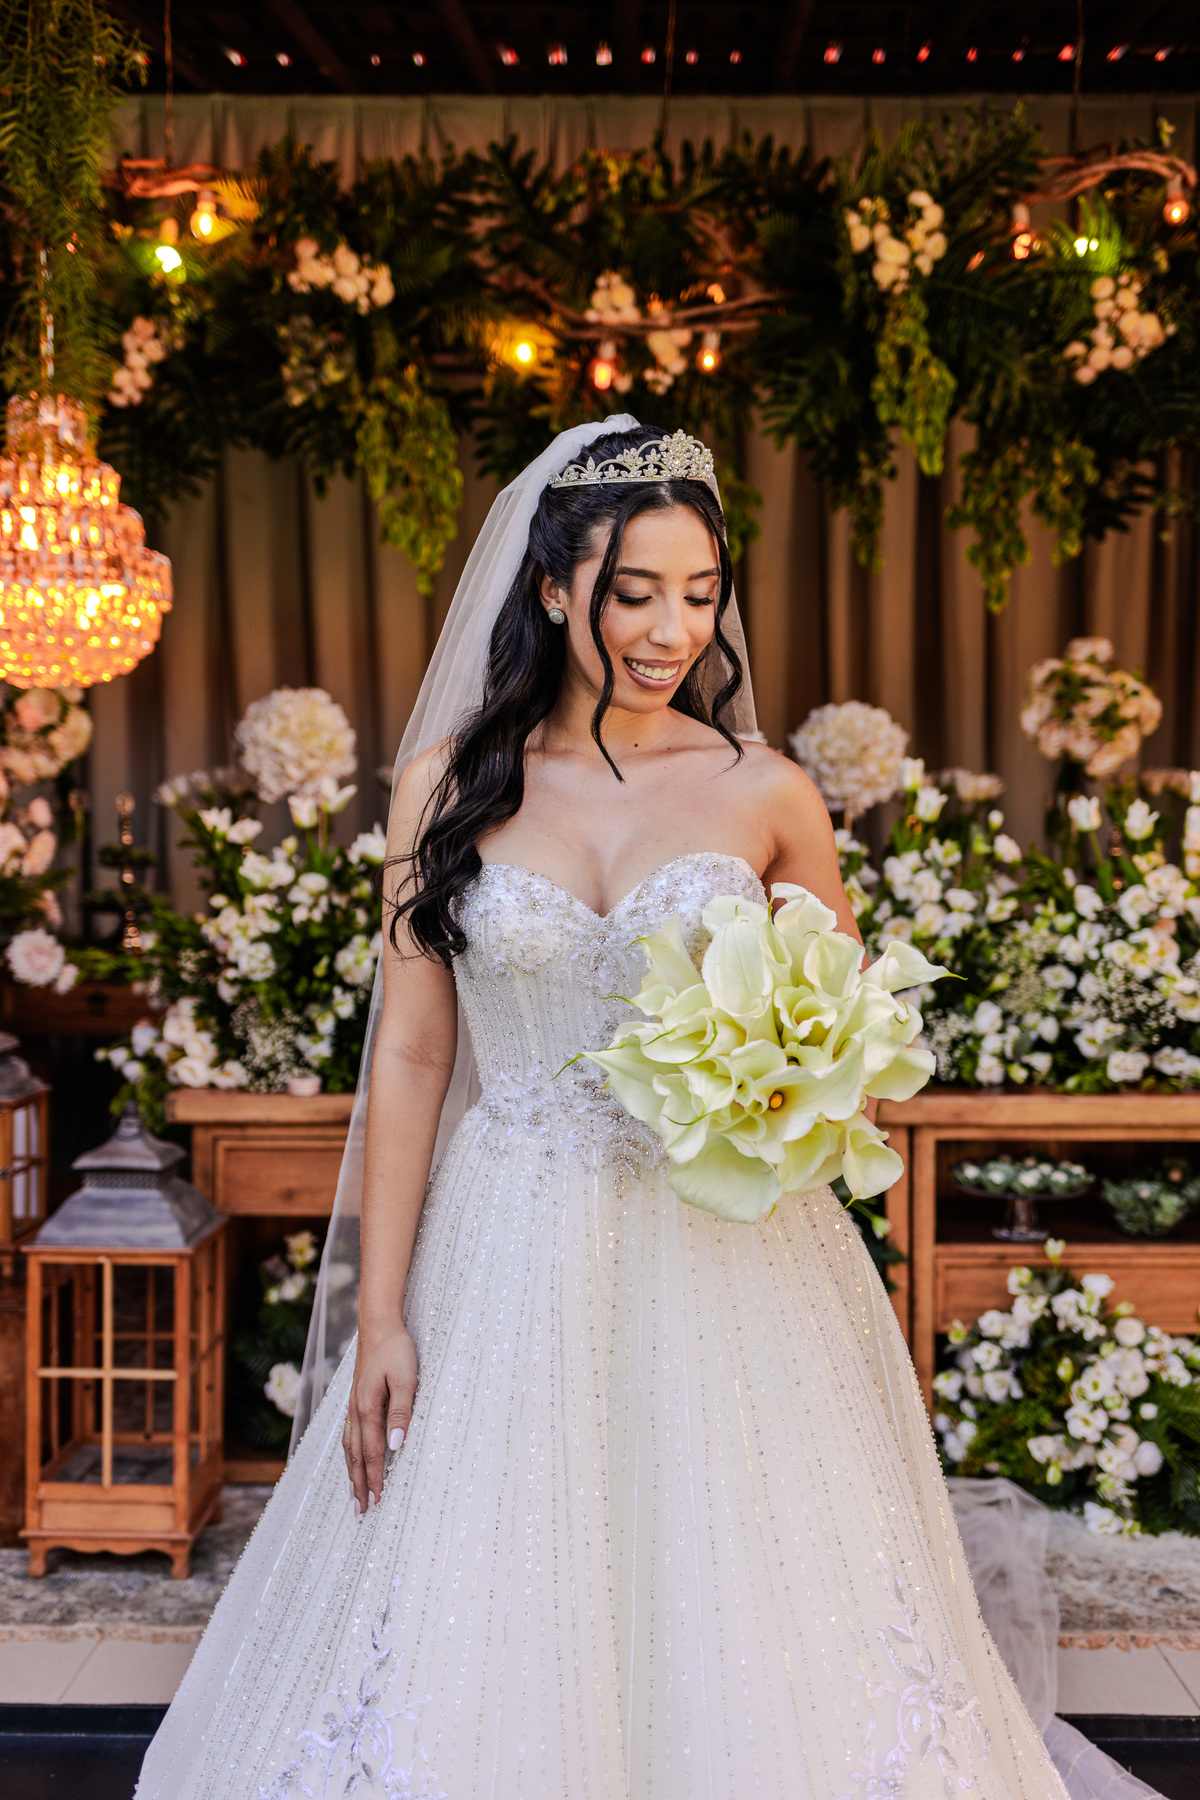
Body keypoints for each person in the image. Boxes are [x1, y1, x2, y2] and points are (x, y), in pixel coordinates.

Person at [137, 421, 1086, 1800]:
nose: (672, 630)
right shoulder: (448, 782)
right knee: (499, 1564)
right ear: (553, 590)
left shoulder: (765, 790)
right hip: (512, 1237)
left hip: (729, 1243)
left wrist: (796, 1075)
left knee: (742, 1568)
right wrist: (384, 1312)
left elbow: (859, 1041)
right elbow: (410, 1054)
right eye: (636, 590)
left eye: (700, 593)